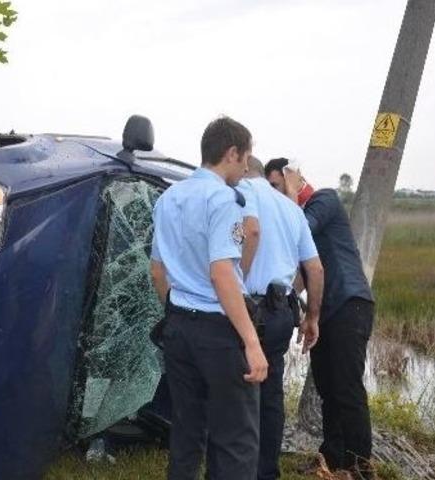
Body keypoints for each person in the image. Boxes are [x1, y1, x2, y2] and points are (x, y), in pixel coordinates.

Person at [150, 116, 268, 480]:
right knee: (236, 439)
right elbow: (222, 274)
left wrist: (177, 313)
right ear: (231, 153)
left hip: (179, 327)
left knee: (186, 432)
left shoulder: (169, 197)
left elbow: (157, 271)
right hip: (218, 332)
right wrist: (251, 342)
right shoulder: (225, 199)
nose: (247, 167)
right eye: (246, 158)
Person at [265, 158, 375, 478]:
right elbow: (299, 273)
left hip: (349, 305)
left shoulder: (323, 199)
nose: (274, 193)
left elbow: (297, 227)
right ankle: (333, 459)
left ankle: (360, 466)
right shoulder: (298, 209)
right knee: (328, 389)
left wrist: (290, 190)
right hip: (327, 312)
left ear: (292, 179)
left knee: (348, 390)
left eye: (277, 185)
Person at [236, 157, 324, 480]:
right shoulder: (292, 210)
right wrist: (312, 316)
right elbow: (315, 269)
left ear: (244, 168)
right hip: (280, 314)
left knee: (234, 391)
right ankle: (266, 472)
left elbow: (250, 233)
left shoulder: (240, 191)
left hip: (246, 307)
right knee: (271, 396)